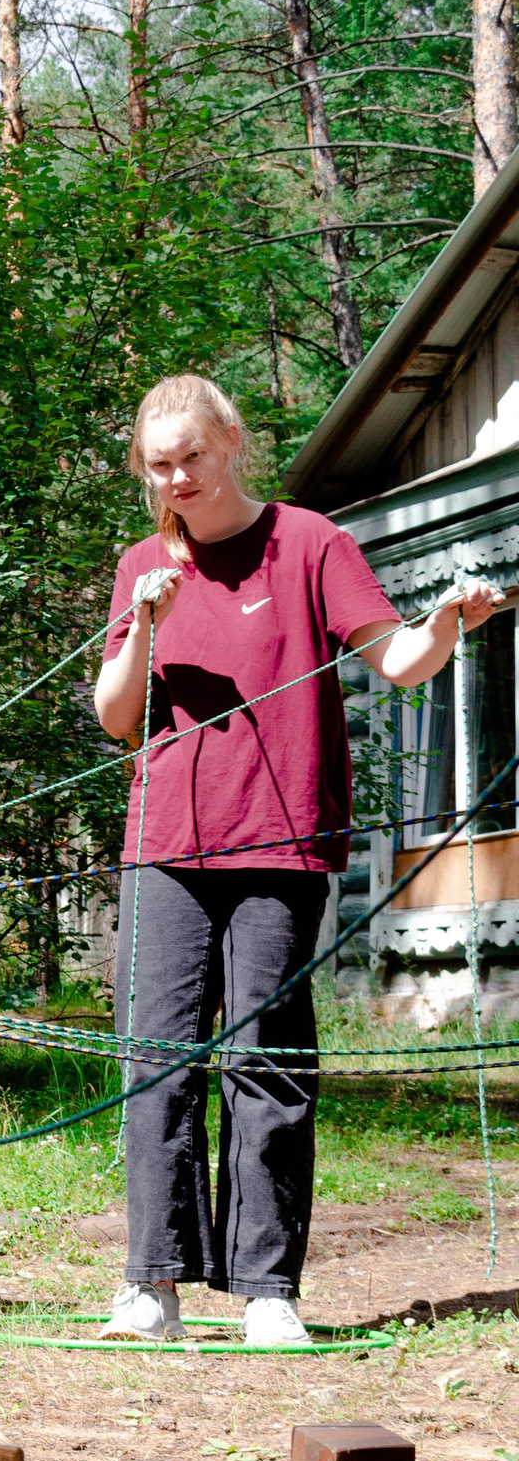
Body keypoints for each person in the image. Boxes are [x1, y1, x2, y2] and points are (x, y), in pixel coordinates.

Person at [92, 374, 497, 1345]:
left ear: (232, 442)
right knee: (155, 1064)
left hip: (280, 846)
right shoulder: (143, 564)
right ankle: (151, 1285)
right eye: (159, 465)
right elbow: (115, 715)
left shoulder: (310, 543)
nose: (178, 478)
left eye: (192, 456)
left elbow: (398, 660)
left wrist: (446, 623)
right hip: (164, 850)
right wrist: (145, 623)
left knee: (266, 1060)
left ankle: (268, 1289)